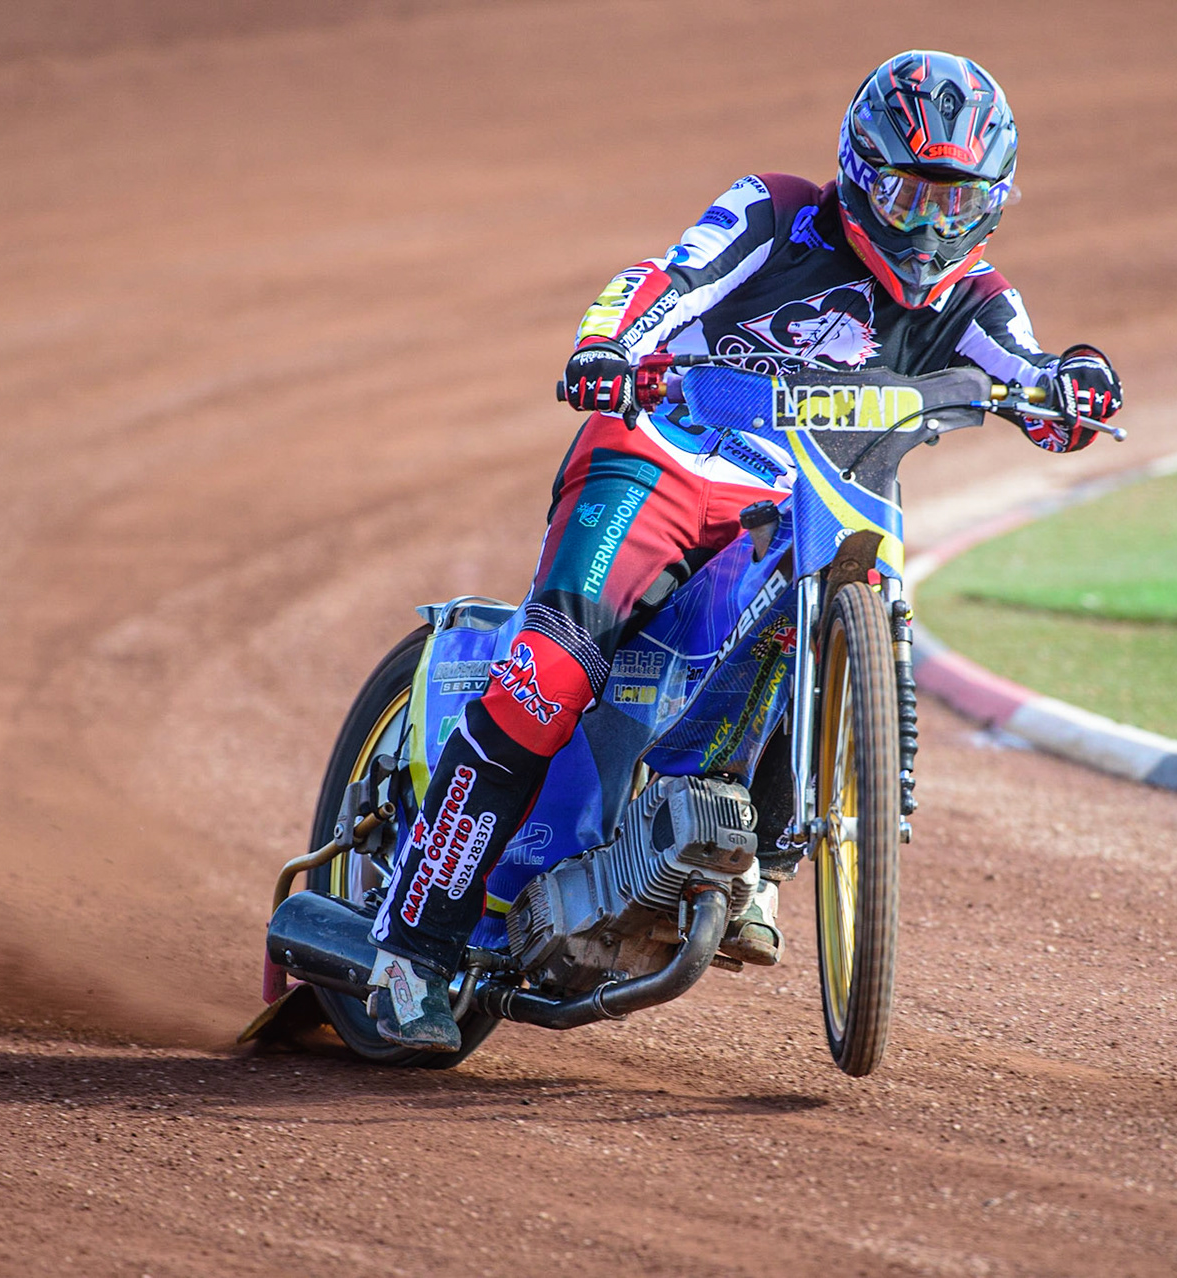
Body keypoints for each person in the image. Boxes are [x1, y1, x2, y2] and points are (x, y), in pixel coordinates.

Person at [366, 50, 1124, 1049]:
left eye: (956, 200)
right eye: (907, 189)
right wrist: (614, 345)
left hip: (798, 517)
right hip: (664, 459)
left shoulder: (972, 299)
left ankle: (753, 847)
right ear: (859, 168)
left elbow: (1033, 372)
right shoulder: (776, 213)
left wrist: (1077, 388)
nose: (929, 223)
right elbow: (667, 277)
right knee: (550, 670)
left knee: (844, 604)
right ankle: (407, 950)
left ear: (994, 201)